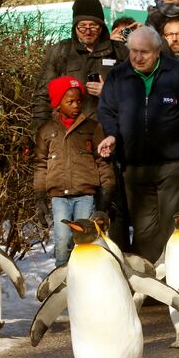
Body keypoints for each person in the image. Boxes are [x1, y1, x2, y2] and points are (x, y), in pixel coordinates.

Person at [96, 26, 179, 262]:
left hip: (172, 164)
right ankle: (151, 281)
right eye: (133, 51)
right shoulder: (118, 75)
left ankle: (172, 278)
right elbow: (107, 111)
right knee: (144, 230)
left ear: (158, 51)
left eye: (144, 52)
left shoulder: (177, 73)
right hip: (134, 167)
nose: (137, 57)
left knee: (171, 224)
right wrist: (112, 135)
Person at [33, 76, 115, 266]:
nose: (76, 105)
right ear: (58, 103)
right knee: (62, 240)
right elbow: (40, 164)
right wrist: (39, 195)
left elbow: (103, 161)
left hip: (85, 195)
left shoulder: (92, 128)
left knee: (85, 240)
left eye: (79, 101)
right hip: (59, 196)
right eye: (70, 101)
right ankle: (62, 280)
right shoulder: (46, 131)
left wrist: (108, 189)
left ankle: (85, 274)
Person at [31, 0, 128, 130]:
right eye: (82, 26)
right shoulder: (60, 51)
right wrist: (40, 134)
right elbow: (42, 97)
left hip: (109, 133)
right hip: (68, 134)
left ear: (101, 27)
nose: (87, 31)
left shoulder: (120, 52)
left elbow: (137, 95)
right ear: (75, 26)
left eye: (93, 26)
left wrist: (108, 93)